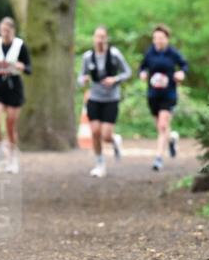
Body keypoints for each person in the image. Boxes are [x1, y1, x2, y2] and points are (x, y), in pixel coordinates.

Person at [77, 26, 131, 177]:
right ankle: (99, 164)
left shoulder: (114, 55)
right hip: (94, 98)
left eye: (102, 37)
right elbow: (80, 77)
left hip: (111, 98)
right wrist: (84, 80)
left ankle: (114, 140)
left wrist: (115, 79)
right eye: (97, 37)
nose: (99, 40)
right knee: (94, 132)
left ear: (106, 38)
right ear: (93, 39)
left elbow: (127, 72)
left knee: (106, 135)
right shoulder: (88, 57)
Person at [138, 24, 188, 172]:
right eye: (155, 38)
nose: (157, 41)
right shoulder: (150, 53)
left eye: (160, 38)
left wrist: (181, 74)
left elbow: (184, 65)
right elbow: (142, 67)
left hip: (169, 94)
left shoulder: (173, 53)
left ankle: (158, 159)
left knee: (162, 126)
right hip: (153, 95)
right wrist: (142, 73)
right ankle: (172, 139)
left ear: (167, 39)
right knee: (162, 128)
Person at [0, 16, 31, 173]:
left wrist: (21, 66)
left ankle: (13, 157)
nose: (4, 33)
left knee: (10, 126)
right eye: (2, 30)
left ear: (13, 30)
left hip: (14, 86)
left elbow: (29, 68)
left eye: (7, 30)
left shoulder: (20, 45)